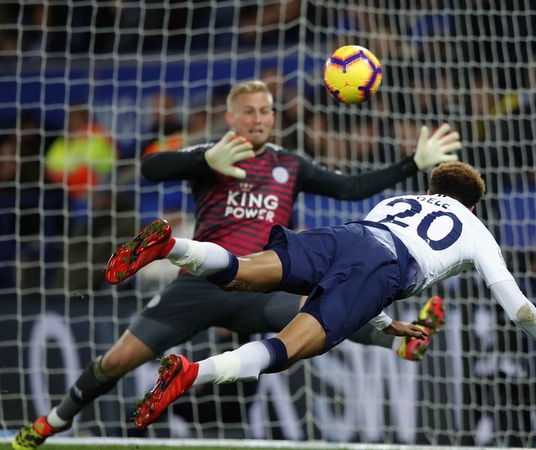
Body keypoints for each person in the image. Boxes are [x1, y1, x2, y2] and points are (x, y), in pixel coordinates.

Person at [12, 80, 460, 450]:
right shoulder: (212, 156)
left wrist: (411, 164)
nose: (260, 119)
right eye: (249, 112)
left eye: (266, 111)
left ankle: (401, 345)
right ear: (231, 118)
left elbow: (350, 188)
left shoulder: (290, 164)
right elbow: (151, 168)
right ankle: (54, 421)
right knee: (116, 362)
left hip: (261, 285)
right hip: (199, 287)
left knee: (319, 305)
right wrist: (204, 158)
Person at [103, 161, 536, 429]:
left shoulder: (398, 201)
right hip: (385, 266)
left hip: (347, 234)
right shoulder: (476, 229)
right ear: (471, 203)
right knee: (288, 348)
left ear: (431, 187)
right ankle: (193, 372)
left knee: (241, 271)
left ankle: (173, 246)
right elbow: (520, 308)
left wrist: (385, 324)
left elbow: (350, 273)